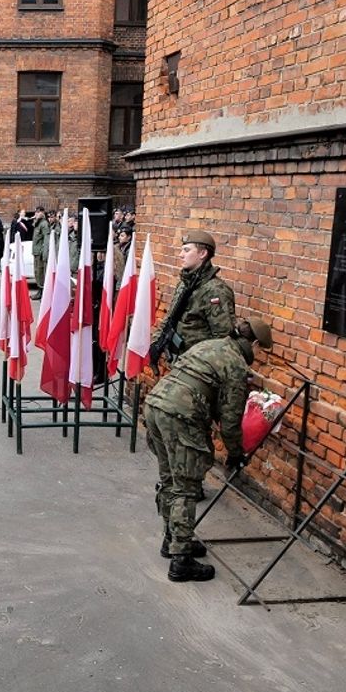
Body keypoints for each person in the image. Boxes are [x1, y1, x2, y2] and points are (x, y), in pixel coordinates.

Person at [143, 318, 273, 582]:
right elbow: (231, 419)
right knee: (186, 487)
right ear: (254, 344)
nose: (258, 357)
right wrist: (236, 454)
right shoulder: (236, 365)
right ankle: (181, 561)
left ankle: (174, 540)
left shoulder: (209, 345)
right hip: (180, 415)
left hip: (156, 405)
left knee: (170, 480)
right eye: (261, 351)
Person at [149, 229, 236, 366]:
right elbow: (170, 317)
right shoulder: (184, 284)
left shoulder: (216, 291)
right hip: (179, 362)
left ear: (202, 253)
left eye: (186, 250)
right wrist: (155, 342)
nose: (181, 255)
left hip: (198, 368)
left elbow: (223, 341)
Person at [30, 207, 50, 299]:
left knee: (40, 272)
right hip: (36, 252)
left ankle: (42, 291)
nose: (36, 214)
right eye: (36, 212)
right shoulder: (37, 224)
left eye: (38, 212)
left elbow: (46, 240)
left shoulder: (44, 224)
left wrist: (43, 252)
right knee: (36, 272)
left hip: (40, 253)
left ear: (42, 213)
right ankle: (39, 290)